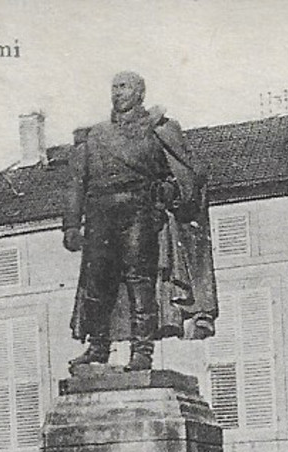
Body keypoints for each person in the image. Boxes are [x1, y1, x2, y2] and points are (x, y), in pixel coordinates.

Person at [62, 71, 215, 374]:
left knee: (139, 283)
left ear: (140, 94)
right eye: (114, 87)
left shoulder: (159, 129)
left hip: (139, 213)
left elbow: (186, 174)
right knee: (96, 284)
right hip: (100, 215)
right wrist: (71, 224)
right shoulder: (96, 135)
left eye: (124, 87)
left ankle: (142, 352)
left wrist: (170, 191)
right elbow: (77, 182)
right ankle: (97, 347)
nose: (117, 93)